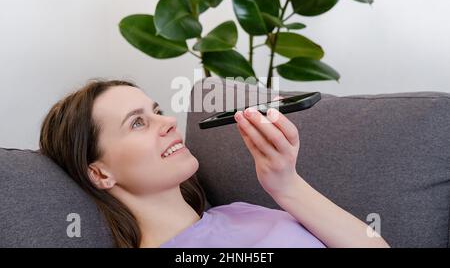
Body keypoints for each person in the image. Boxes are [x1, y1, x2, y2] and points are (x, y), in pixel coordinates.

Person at [39, 79, 390, 248]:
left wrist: (287, 185)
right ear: (100, 173)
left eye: (157, 111)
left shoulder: (239, 211)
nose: (169, 122)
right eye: (137, 123)